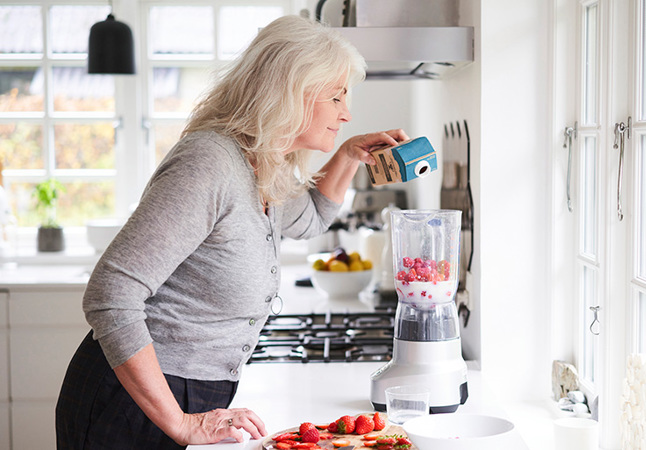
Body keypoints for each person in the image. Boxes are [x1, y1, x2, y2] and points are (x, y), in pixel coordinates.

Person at [55, 15, 409, 449]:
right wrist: (182, 422)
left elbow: (311, 217)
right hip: (134, 403)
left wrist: (350, 156)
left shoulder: (260, 164)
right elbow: (111, 295)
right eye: (336, 97)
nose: (346, 112)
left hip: (188, 395)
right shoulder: (210, 164)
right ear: (290, 93)